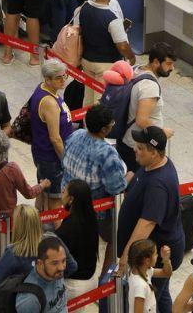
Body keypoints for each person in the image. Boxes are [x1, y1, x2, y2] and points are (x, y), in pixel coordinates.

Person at [117, 126, 184, 313]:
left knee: (150, 300)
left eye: (140, 148)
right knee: (161, 295)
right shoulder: (153, 164)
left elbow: (146, 224)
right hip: (156, 251)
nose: (134, 150)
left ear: (154, 152)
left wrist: (126, 255)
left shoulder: (158, 185)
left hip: (156, 256)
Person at [0, 128, 49, 279]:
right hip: (8, 225)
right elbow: (29, 193)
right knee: (10, 260)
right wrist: (43, 185)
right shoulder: (11, 169)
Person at [62, 103, 128, 275]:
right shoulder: (106, 153)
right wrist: (129, 175)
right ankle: (105, 281)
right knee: (116, 238)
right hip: (95, 210)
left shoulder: (75, 134)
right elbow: (116, 188)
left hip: (68, 201)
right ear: (105, 129)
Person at [0, 204, 78, 291]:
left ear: (17, 226)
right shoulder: (54, 239)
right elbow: (72, 266)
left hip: (25, 303)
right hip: (53, 299)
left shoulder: (14, 252)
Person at [74, 0, 136, 105]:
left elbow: (79, 30)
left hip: (87, 60)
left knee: (88, 99)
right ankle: (96, 125)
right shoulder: (113, 19)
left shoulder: (83, 8)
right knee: (100, 102)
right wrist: (131, 57)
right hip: (106, 65)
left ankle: (86, 124)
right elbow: (123, 46)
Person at [116, 42, 177, 172]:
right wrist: (162, 131)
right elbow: (142, 120)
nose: (172, 68)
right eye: (168, 64)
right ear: (156, 62)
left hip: (126, 139)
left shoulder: (137, 69)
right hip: (139, 148)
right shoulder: (149, 86)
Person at [29, 59, 74, 213]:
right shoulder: (49, 102)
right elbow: (55, 138)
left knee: (43, 194)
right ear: (47, 79)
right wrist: (66, 160)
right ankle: (57, 234)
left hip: (44, 155)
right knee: (56, 200)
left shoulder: (44, 90)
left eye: (64, 76)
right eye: (58, 78)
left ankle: (37, 227)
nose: (63, 80)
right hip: (51, 159)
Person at [55, 180, 99, 310]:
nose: (62, 192)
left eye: (64, 191)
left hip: (74, 284)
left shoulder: (70, 225)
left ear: (71, 199)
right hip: (90, 278)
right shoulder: (91, 217)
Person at [15, 236, 68, 312]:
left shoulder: (56, 274)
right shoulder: (29, 300)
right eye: (54, 263)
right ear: (40, 263)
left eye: (63, 261)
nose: (61, 268)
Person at [127, 239, 172, 313]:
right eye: (155, 254)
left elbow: (166, 273)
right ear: (147, 261)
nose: (157, 256)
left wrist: (166, 260)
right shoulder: (140, 286)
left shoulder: (143, 270)